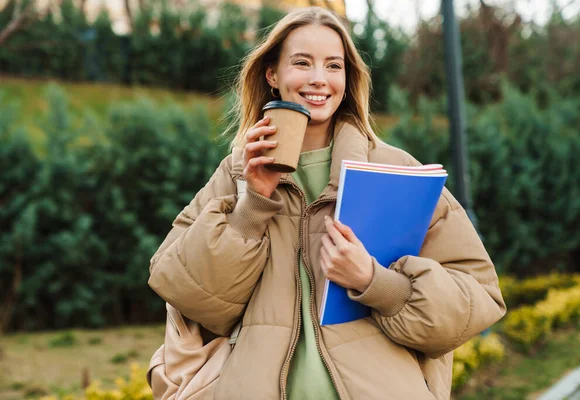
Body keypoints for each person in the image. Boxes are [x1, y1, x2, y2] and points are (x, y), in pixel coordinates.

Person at [148, 6, 506, 400]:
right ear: (273, 75)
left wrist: (374, 282)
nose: (319, 79)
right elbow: (187, 294)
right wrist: (252, 206)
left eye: (334, 66)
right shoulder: (236, 173)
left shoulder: (395, 169)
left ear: (347, 79)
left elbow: (479, 297)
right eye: (302, 63)